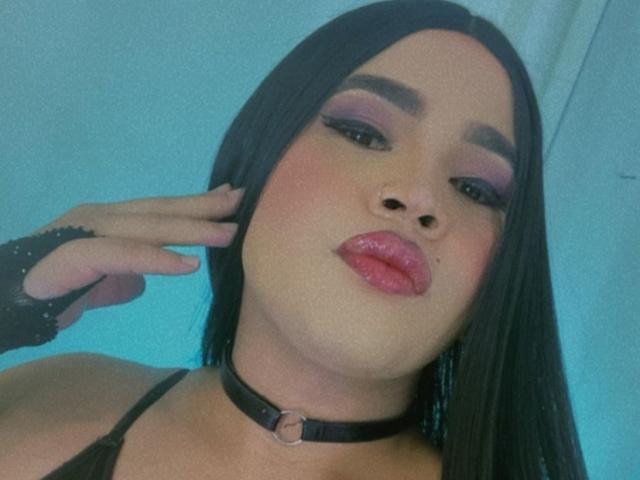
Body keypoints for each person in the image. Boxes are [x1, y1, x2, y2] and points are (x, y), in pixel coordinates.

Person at [0, 0, 588, 478]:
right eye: (362, 133)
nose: (419, 197)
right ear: (255, 157)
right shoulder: (51, 401)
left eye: (476, 188)